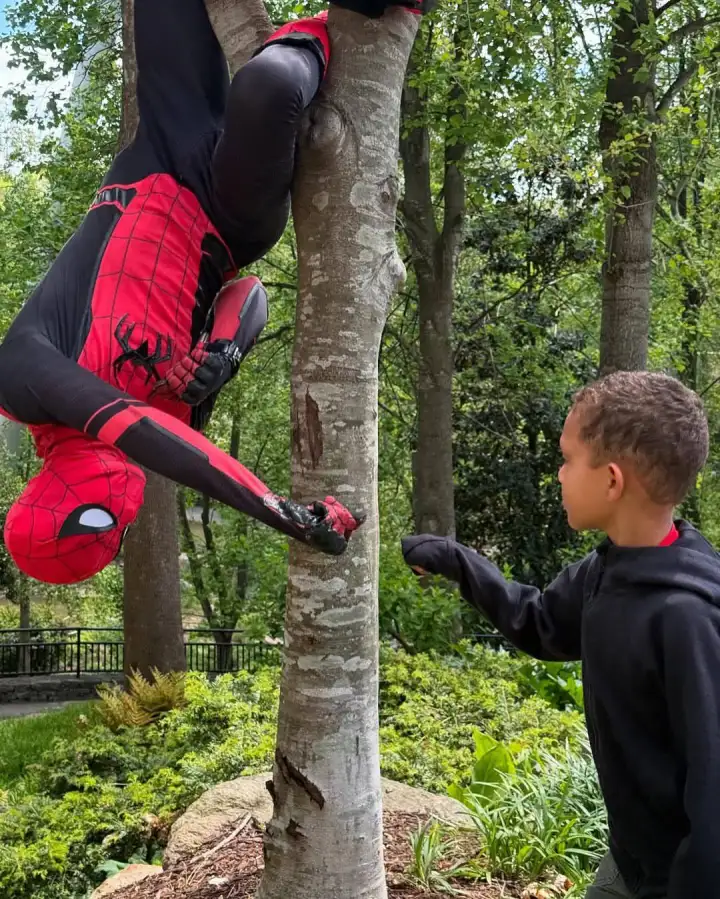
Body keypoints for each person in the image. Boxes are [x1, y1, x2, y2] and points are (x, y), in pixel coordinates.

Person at [0, 0, 427, 586]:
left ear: (47, 495)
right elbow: (249, 296)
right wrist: (223, 358)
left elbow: (136, 428)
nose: (121, 512)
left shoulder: (23, 384)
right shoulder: (175, 417)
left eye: (93, 519)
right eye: (115, 532)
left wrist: (284, 516)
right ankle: (334, 29)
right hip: (229, 219)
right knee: (268, 86)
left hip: (155, 158)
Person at [402, 371, 720, 899]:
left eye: (569, 459)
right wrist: (459, 563)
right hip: (628, 859)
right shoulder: (604, 572)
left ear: (612, 481)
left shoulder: (688, 618)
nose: (558, 474)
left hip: (682, 877)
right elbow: (541, 623)